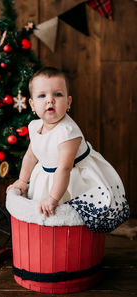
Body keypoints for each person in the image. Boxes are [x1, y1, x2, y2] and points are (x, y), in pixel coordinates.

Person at [7, 67, 130, 232]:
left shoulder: (67, 132)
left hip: (73, 176)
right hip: (49, 173)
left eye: (57, 94)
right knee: (43, 213)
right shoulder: (35, 126)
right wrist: (22, 181)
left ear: (68, 102)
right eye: (42, 96)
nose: (50, 100)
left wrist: (53, 197)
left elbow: (64, 168)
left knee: (70, 215)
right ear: (32, 104)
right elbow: (30, 156)